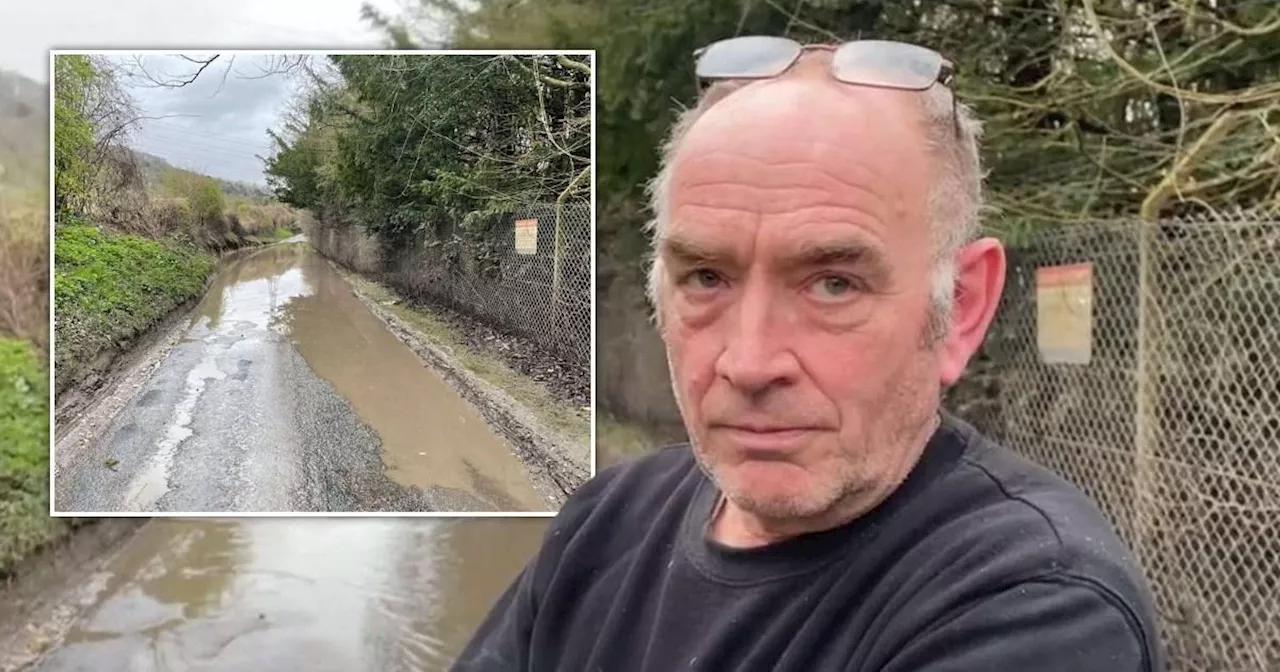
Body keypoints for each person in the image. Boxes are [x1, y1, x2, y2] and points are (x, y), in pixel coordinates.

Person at [454, 36, 1165, 671]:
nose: (751, 362)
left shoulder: (1036, 603)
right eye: (707, 277)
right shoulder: (605, 522)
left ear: (962, 308)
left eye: (833, 283)